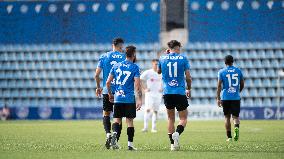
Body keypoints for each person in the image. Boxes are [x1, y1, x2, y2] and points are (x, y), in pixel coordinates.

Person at [106, 45, 142, 150]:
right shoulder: (135, 67)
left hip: (118, 97)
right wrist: (139, 99)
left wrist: (110, 94)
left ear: (125, 54)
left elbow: (108, 82)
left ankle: (115, 136)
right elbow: (137, 86)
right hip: (129, 98)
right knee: (129, 121)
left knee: (117, 120)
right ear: (134, 54)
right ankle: (130, 145)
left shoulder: (116, 66)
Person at [158, 40, 192, 151]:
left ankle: (172, 145)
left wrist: (167, 55)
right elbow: (188, 77)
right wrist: (189, 88)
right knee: (183, 118)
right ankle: (177, 133)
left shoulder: (162, 58)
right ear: (177, 48)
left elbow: (158, 71)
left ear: (169, 48)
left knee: (170, 119)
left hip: (167, 92)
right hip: (180, 92)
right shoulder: (183, 58)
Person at [94, 38, 125, 149]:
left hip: (107, 90)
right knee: (118, 117)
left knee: (106, 113)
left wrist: (98, 87)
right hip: (120, 92)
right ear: (121, 45)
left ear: (113, 45)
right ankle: (115, 140)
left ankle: (108, 134)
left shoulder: (104, 56)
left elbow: (96, 75)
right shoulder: (124, 57)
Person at [216, 55, 244, 142]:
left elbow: (219, 86)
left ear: (225, 62)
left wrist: (218, 98)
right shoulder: (238, 71)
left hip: (225, 97)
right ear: (233, 61)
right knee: (236, 117)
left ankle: (229, 137)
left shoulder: (221, 72)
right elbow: (242, 83)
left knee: (227, 117)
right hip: (235, 97)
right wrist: (238, 91)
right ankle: (236, 129)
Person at [140, 59, 162, 133]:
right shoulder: (148, 72)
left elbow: (166, 81)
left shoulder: (161, 73)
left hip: (158, 94)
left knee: (155, 111)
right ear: (152, 64)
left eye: (158, 64)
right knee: (148, 110)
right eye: (155, 64)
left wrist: (162, 88)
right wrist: (144, 89)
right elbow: (140, 79)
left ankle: (153, 128)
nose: (157, 65)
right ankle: (145, 127)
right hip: (150, 94)